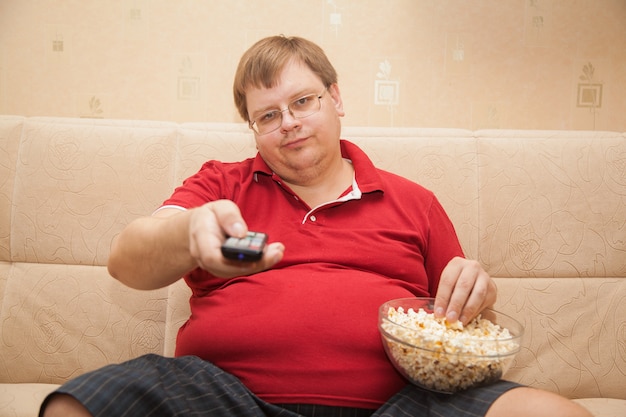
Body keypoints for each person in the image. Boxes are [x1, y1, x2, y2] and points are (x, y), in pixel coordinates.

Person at [40, 35, 592, 417]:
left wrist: (481, 295)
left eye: (303, 101)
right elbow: (126, 261)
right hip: (224, 396)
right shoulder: (221, 184)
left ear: (337, 98)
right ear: (253, 128)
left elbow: (465, 320)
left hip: (401, 405)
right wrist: (190, 233)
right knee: (73, 405)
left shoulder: (414, 201)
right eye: (268, 115)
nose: (290, 124)